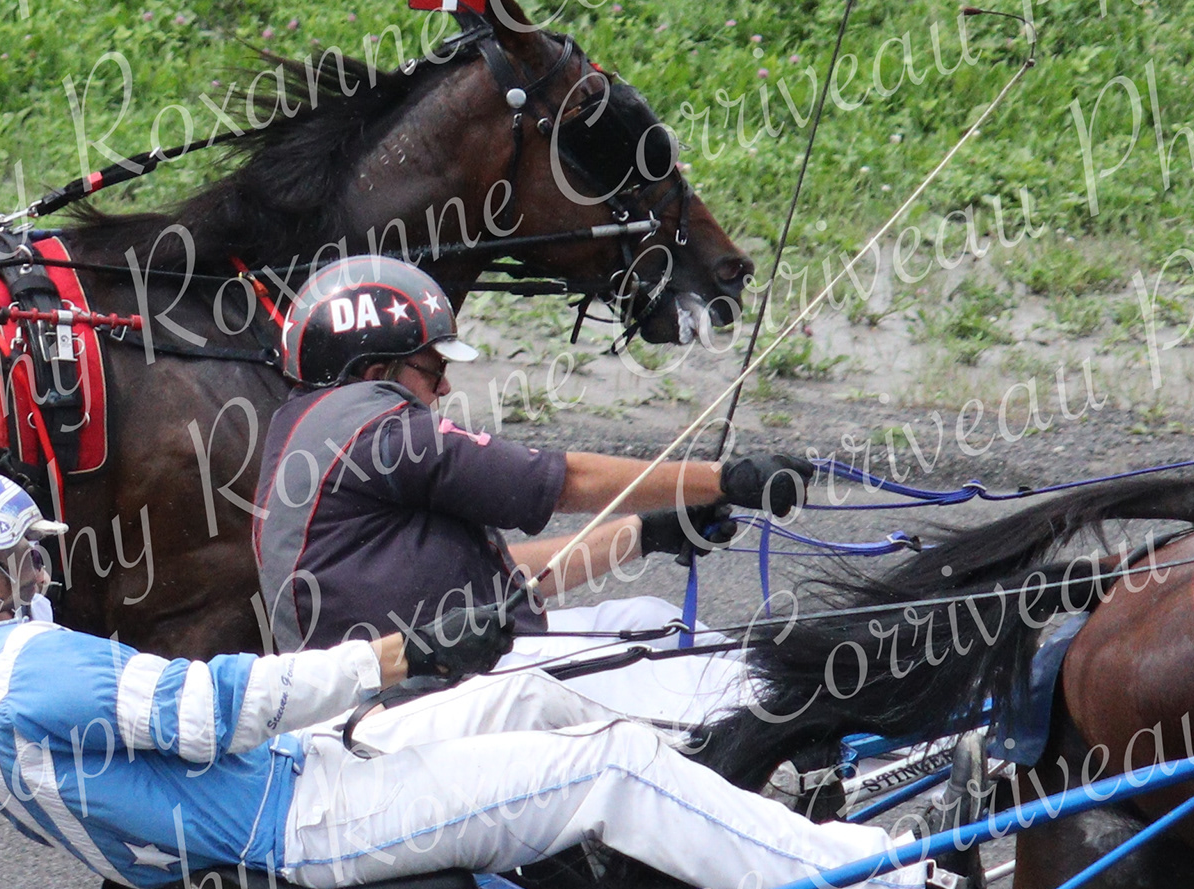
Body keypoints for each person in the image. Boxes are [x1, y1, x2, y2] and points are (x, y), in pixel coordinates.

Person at [0, 470, 931, 889]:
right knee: (613, 766)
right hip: (309, 817)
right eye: (24, 557)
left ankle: (738, 821)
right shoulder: (22, 667)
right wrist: (394, 656)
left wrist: (407, 667)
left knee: (528, 694)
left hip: (300, 783)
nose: (40, 572)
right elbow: (213, 709)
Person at [251, 254, 811, 730]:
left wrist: (645, 533)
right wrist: (724, 479)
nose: (444, 385)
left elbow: (496, 577)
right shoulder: (380, 432)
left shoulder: (312, 429)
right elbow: (564, 482)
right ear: (376, 371)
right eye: (432, 366)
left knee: (651, 614)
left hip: (424, 684)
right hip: (409, 708)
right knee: (725, 694)